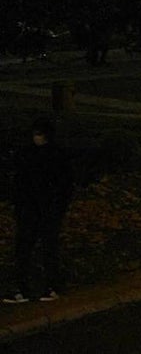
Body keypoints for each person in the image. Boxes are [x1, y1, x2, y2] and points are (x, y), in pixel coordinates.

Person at [4, 118, 74, 303]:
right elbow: (19, 183)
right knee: (26, 248)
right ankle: (23, 286)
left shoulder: (54, 156)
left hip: (46, 209)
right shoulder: (28, 154)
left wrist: (57, 208)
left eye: (40, 134)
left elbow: (64, 185)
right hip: (31, 209)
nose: (37, 138)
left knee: (46, 248)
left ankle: (50, 285)